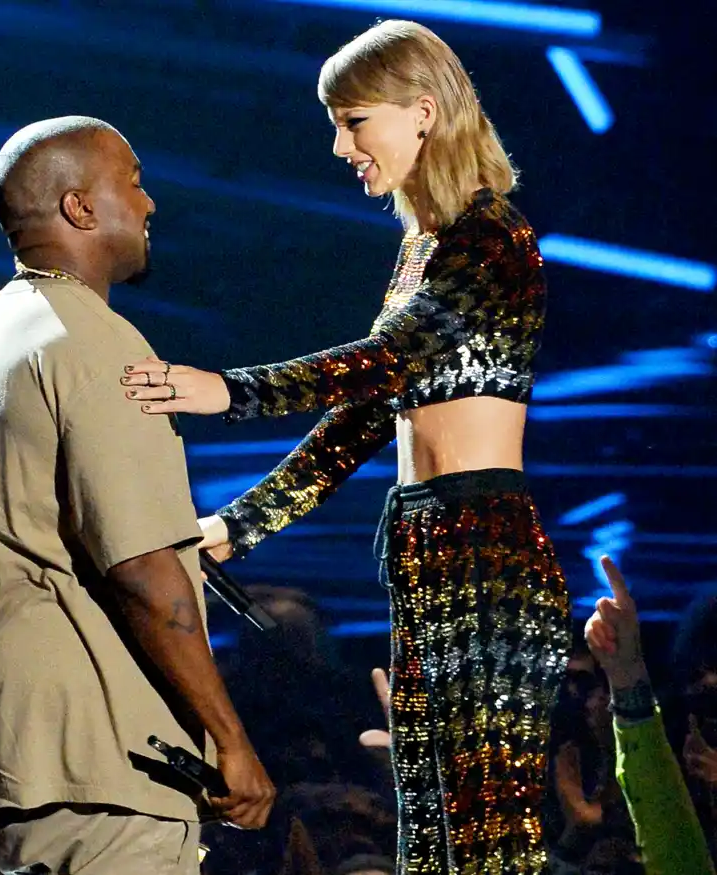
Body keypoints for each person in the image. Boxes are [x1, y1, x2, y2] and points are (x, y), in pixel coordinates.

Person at [122, 19, 571, 873]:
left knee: (486, 844)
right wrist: (239, 524)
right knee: (430, 839)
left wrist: (229, 390)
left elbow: (382, 362)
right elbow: (368, 412)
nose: (339, 146)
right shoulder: (420, 251)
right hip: (425, 541)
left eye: (353, 120)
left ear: (424, 113)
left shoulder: (494, 239)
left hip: (485, 548)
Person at [0, 116, 274, 875]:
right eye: (135, 181)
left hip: (5, 746)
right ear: (80, 208)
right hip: (100, 751)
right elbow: (145, 570)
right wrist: (229, 738)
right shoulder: (92, 340)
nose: (149, 204)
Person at [585, 556, 715, 875]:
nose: (710, 684)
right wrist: (624, 669)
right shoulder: (675, 723)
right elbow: (672, 846)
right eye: (703, 671)